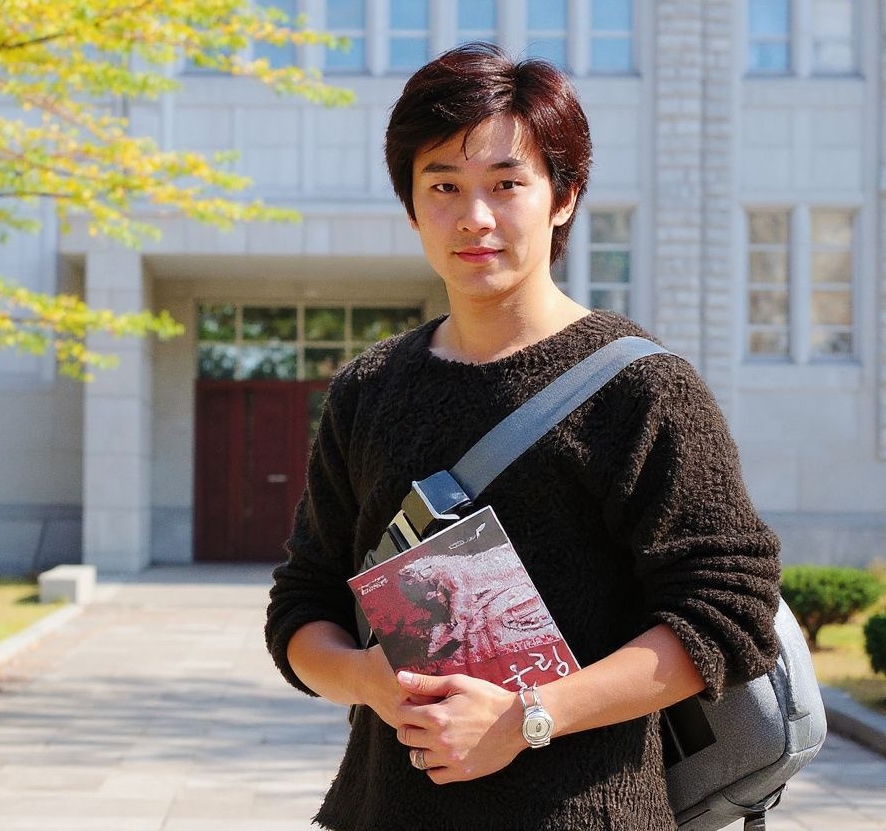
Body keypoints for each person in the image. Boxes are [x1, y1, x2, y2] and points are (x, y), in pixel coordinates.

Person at [264, 42, 781, 831]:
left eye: (508, 185)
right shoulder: (368, 391)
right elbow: (303, 606)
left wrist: (529, 716)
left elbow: (728, 612)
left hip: (584, 813)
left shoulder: (642, 390)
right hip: (382, 809)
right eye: (444, 186)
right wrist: (367, 678)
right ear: (411, 205)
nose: (475, 217)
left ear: (563, 196)